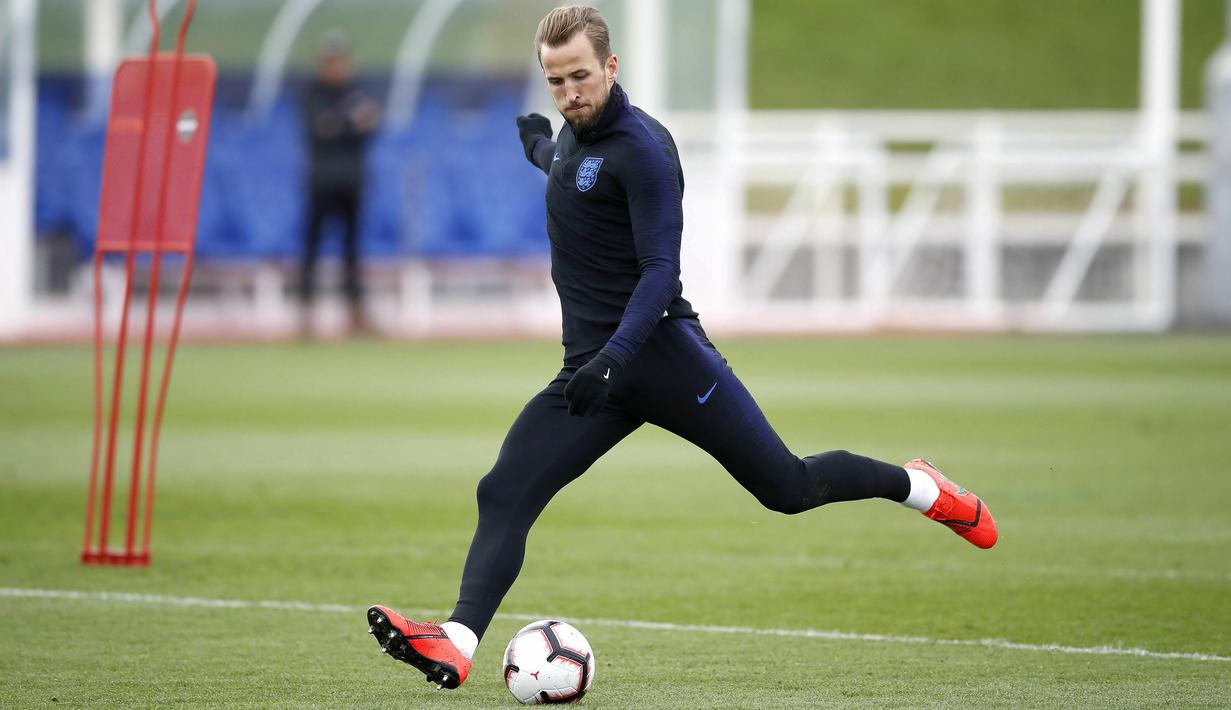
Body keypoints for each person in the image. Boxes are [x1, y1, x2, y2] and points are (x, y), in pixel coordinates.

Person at [365, 5, 997, 692]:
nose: (569, 93)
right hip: (594, 372)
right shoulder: (574, 136)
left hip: (660, 358)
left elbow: (660, 271)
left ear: (610, 66)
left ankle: (921, 487)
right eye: (554, 82)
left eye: (580, 76)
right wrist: (537, 149)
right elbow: (574, 175)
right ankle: (457, 641)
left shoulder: (643, 149)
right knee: (505, 489)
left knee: (788, 488)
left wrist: (614, 357)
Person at [300, 32, 380, 336]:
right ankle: (305, 314)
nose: (336, 68)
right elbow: (321, 128)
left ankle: (356, 315)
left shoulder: (355, 90)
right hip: (321, 182)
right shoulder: (312, 93)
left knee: (352, 250)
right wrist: (348, 122)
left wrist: (340, 124)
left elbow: (369, 125)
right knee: (313, 247)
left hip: (352, 181)